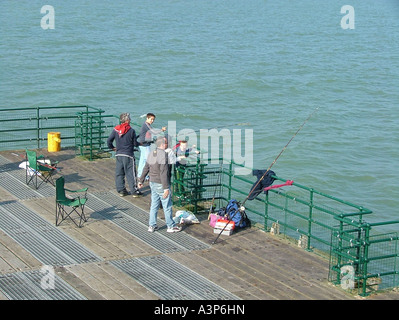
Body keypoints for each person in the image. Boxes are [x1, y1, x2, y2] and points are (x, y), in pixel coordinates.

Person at [137, 136, 181, 233]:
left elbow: (146, 168)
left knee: (154, 205)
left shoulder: (151, 153)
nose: (167, 144)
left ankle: (151, 225)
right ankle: (171, 226)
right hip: (161, 183)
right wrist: (166, 188)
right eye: (166, 143)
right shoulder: (163, 155)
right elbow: (163, 172)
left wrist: (141, 181)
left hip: (152, 182)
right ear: (162, 144)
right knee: (167, 205)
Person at [107, 112, 143, 197]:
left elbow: (109, 141)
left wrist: (112, 148)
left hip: (119, 154)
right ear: (127, 120)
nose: (130, 120)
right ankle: (134, 191)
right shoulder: (131, 131)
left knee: (119, 173)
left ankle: (121, 190)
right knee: (131, 173)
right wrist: (140, 144)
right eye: (129, 119)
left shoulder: (116, 129)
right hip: (128, 155)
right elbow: (135, 143)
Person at [137, 113, 167, 179]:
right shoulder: (146, 125)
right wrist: (162, 130)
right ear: (147, 118)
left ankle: (140, 174)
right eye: (151, 119)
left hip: (143, 144)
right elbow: (153, 132)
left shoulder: (146, 125)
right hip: (144, 145)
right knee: (147, 160)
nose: (152, 121)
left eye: (153, 119)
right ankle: (145, 176)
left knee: (142, 160)